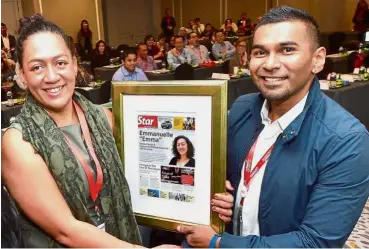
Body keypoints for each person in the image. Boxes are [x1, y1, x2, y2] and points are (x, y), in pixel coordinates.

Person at [177, 6, 369, 248]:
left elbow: (316, 243)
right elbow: (225, 177)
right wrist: (220, 195)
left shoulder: (347, 140)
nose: (269, 64)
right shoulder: (242, 109)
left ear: (318, 60)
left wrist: (217, 243)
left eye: (287, 50)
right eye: (260, 52)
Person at [1, 14, 148, 247]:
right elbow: (65, 230)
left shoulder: (102, 117)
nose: (51, 77)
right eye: (37, 67)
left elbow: (145, 173)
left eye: (60, 63)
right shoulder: (19, 142)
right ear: (21, 73)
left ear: (74, 63)